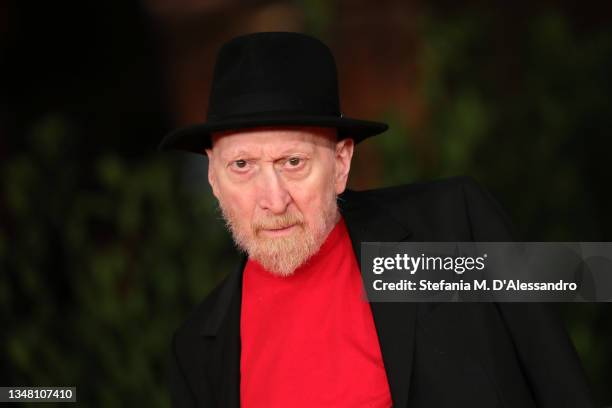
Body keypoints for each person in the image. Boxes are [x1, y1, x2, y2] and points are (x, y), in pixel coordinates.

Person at [160, 32, 594, 407]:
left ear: (341, 162)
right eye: (242, 166)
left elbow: (582, 278)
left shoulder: (449, 226)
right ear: (213, 176)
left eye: (293, 161)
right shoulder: (199, 351)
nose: (273, 201)